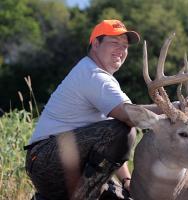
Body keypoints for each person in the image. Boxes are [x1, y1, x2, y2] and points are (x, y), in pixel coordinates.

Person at [24, 19, 144, 200]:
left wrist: (126, 180)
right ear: (96, 44)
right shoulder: (92, 74)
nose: (121, 50)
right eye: (114, 43)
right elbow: (128, 119)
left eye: (125, 46)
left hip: (60, 165)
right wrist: (170, 110)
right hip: (45, 160)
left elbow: (113, 145)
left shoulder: (103, 80)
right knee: (123, 129)